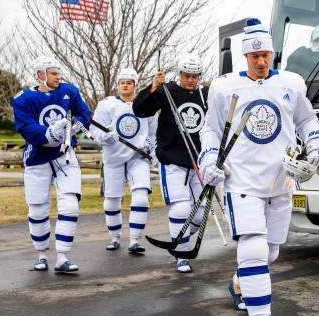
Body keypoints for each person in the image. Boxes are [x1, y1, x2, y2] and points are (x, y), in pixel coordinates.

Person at [200, 18, 319, 316]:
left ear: (273, 53)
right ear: (246, 56)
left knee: (271, 251)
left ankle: (240, 282)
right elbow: (212, 129)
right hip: (242, 181)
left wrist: (318, 144)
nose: (261, 61)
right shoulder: (224, 87)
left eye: (266, 55)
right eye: (254, 55)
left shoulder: (291, 83)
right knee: (255, 247)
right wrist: (208, 159)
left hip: (281, 181)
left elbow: (306, 119)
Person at [12, 56, 91, 273]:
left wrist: (74, 127)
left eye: (59, 72)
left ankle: (62, 257)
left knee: (70, 204)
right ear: (40, 75)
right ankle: (42, 255)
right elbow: (25, 128)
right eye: (54, 73)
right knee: (37, 209)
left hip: (65, 155)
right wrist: (48, 133)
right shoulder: (23, 99)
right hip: (37, 157)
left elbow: (84, 114)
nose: (59, 76)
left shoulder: (69, 91)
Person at [133, 53, 208, 273]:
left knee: (202, 211)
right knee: (182, 207)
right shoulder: (167, 90)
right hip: (172, 158)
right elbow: (140, 109)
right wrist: (153, 87)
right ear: (180, 74)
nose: (191, 80)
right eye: (187, 75)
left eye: (195, 76)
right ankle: (181, 254)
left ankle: (179, 238)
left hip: (199, 161)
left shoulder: (206, 94)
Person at [90, 68, 157, 254]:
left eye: (129, 82)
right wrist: (105, 137)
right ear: (118, 85)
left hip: (138, 158)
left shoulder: (146, 105)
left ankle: (135, 239)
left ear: (135, 85)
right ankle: (115, 237)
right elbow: (95, 131)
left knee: (141, 197)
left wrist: (151, 148)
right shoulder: (106, 105)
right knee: (112, 200)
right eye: (122, 82)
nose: (125, 85)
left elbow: (153, 132)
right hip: (113, 159)